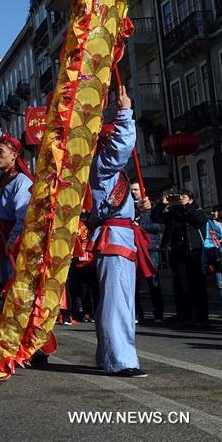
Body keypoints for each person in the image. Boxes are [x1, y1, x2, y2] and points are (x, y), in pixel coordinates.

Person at [87, 86, 147, 377]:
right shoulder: (104, 163)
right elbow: (123, 147)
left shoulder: (106, 169)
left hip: (118, 236)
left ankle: (108, 355)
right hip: (114, 238)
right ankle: (121, 360)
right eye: (110, 138)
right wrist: (125, 112)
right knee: (116, 301)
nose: (114, 143)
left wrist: (138, 207)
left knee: (114, 300)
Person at [153, 189, 209, 326]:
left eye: (183, 197)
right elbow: (155, 218)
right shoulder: (173, 213)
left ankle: (201, 316)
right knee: (180, 284)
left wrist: (187, 206)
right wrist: (162, 204)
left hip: (194, 252)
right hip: (177, 253)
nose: (180, 199)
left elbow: (200, 220)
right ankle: (184, 314)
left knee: (197, 285)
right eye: (178, 197)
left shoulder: (196, 210)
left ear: (190, 199)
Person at [0, 133, 33, 282]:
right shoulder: (1, 181)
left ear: (14, 155)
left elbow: (23, 216)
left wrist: (12, 240)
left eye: (1, 152)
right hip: (3, 239)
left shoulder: (22, 182)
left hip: (15, 243)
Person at [131, 181, 163, 323]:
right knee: (133, 284)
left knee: (153, 282)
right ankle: (137, 312)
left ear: (143, 190)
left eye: (136, 189)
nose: (134, 192)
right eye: (132, 190)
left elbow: (161, 226)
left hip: (150, 249)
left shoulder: (153, 207)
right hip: (133, 248)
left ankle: (158, 314)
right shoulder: (128, 208)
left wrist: (141, 226)